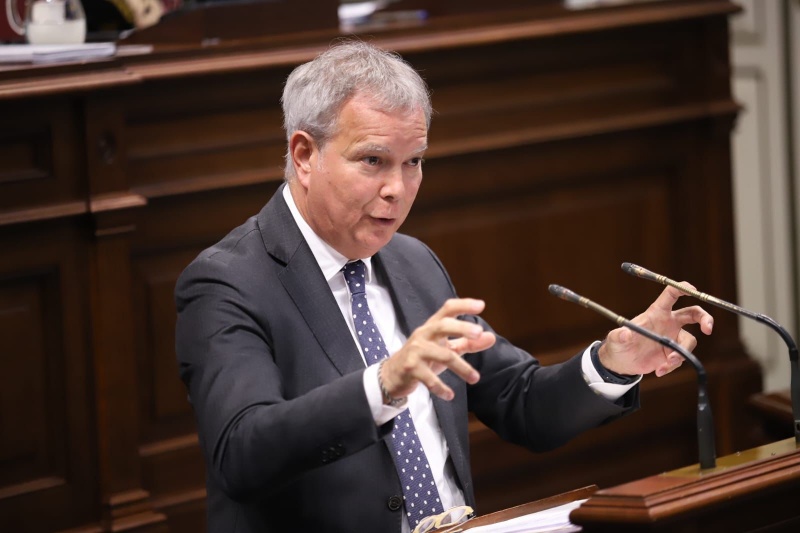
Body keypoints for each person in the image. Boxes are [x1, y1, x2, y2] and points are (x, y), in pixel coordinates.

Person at [174, 40, 714, 533]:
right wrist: (383, 383)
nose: (398, 188)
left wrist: (613, 362)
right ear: (304, 155)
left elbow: (521, 402)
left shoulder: (412, 262)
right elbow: (242, 452)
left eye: (413, 162)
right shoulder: (227, 281)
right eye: (373, 161)